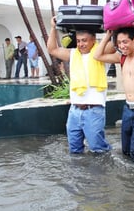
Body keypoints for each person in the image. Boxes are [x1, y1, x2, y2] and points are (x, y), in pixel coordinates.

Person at [94, 12, 134, 164]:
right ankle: (131, 182)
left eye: (125, 42)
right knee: (126, 151)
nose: (122, 46)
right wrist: (108, 35)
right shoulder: (121, 57)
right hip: (128, 108)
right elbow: (97, 56)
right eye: (119, 43)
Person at [47, 16, 113, 155]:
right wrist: (53, 28)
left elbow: (116, 44)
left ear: (93, 40)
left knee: (98, 149)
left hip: (94, 110)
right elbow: (52, 49)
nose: (81, 44)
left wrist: (111, 30)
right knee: (75, 151)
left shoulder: (101, 53)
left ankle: (104, 175)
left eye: (84, 40)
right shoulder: (73, 54)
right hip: (74, 111)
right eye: (78, 41)